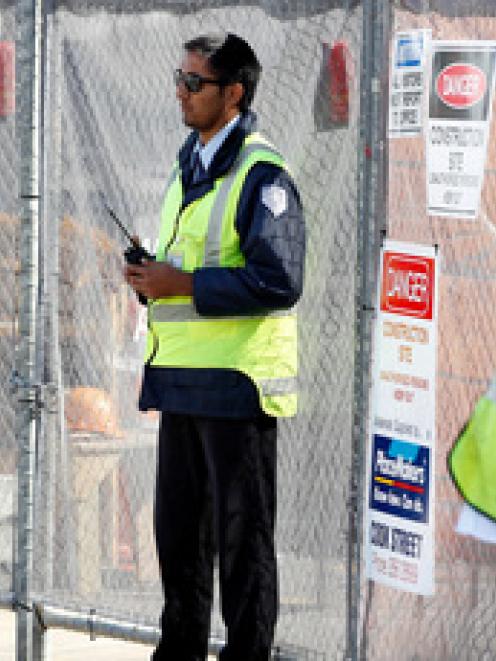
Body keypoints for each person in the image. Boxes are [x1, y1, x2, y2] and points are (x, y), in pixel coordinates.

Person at [124, 32, 305, 661]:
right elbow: (189, 264)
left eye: (194, 83)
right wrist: (155, 281)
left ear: (234, 94)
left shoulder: (262, 173)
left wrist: (184, 283)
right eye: (179, 78)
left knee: (242, 550)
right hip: (181, 384)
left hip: (236, 388)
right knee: (179, 545)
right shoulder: (187, 166)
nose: (181, 90)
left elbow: (280, 280)